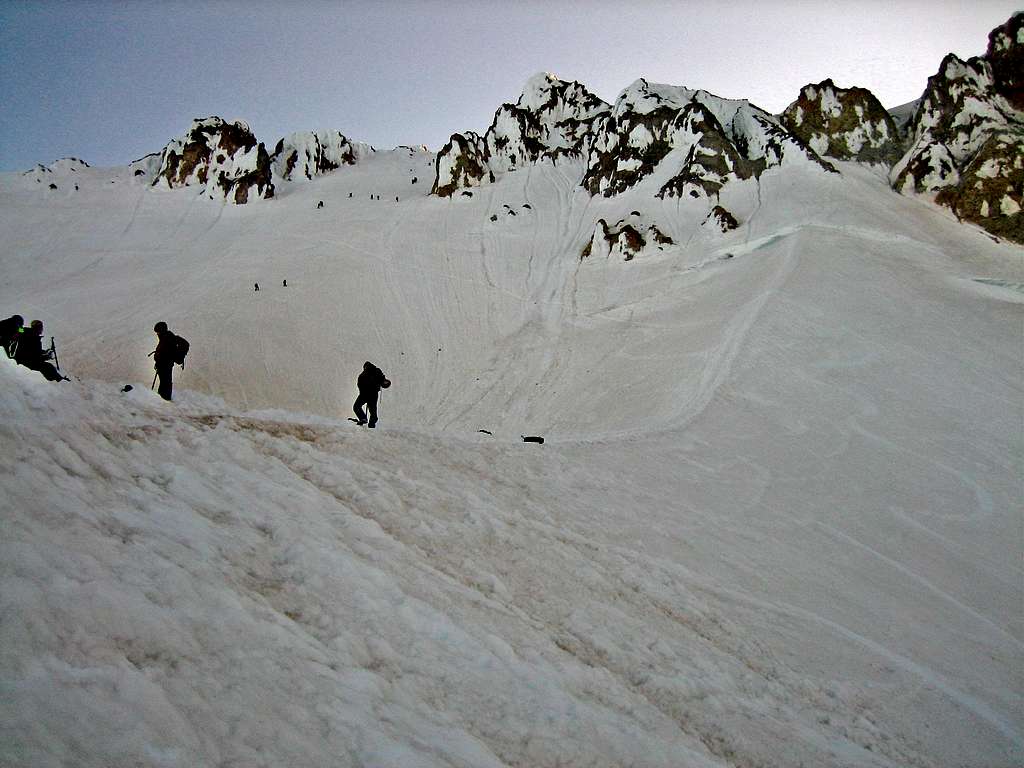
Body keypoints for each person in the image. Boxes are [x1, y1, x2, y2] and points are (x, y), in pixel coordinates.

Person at [353, 361, 391, 428]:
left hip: (364, 394)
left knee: (356, 407)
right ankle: (371, 424)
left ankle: (363, 418)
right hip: (373, 394)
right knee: (372, 410)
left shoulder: (363, 374)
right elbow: (382, 380)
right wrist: (384, 383)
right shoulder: (377, 370)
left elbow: (360, 384)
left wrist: (362, 392)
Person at [152, 321, 178, 401]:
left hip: (165, 364)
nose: (157, 334)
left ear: (162, 330)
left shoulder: (167, 338)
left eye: (158, 332)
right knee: (165, 382)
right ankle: (163, 398)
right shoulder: (166, 337)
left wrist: (159, 361)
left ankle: (165, 399)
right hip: (164, 364)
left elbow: (165, 353)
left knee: (165, 382)